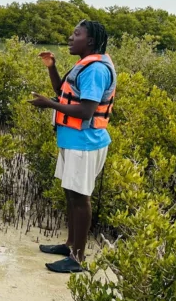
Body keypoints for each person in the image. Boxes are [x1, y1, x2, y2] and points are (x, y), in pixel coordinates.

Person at [29, 20, 116, 274]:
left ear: (90, 41)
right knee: (70, 193)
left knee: (80, 198)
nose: (70, 38)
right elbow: (62, 91)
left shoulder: (96, 70)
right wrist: (52, 67)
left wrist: (49, 105)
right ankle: (69, 245)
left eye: (76, 34)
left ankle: (77, 259)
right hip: (72, 140)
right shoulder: (83, 64)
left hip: (85, 143)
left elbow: (86, 111)